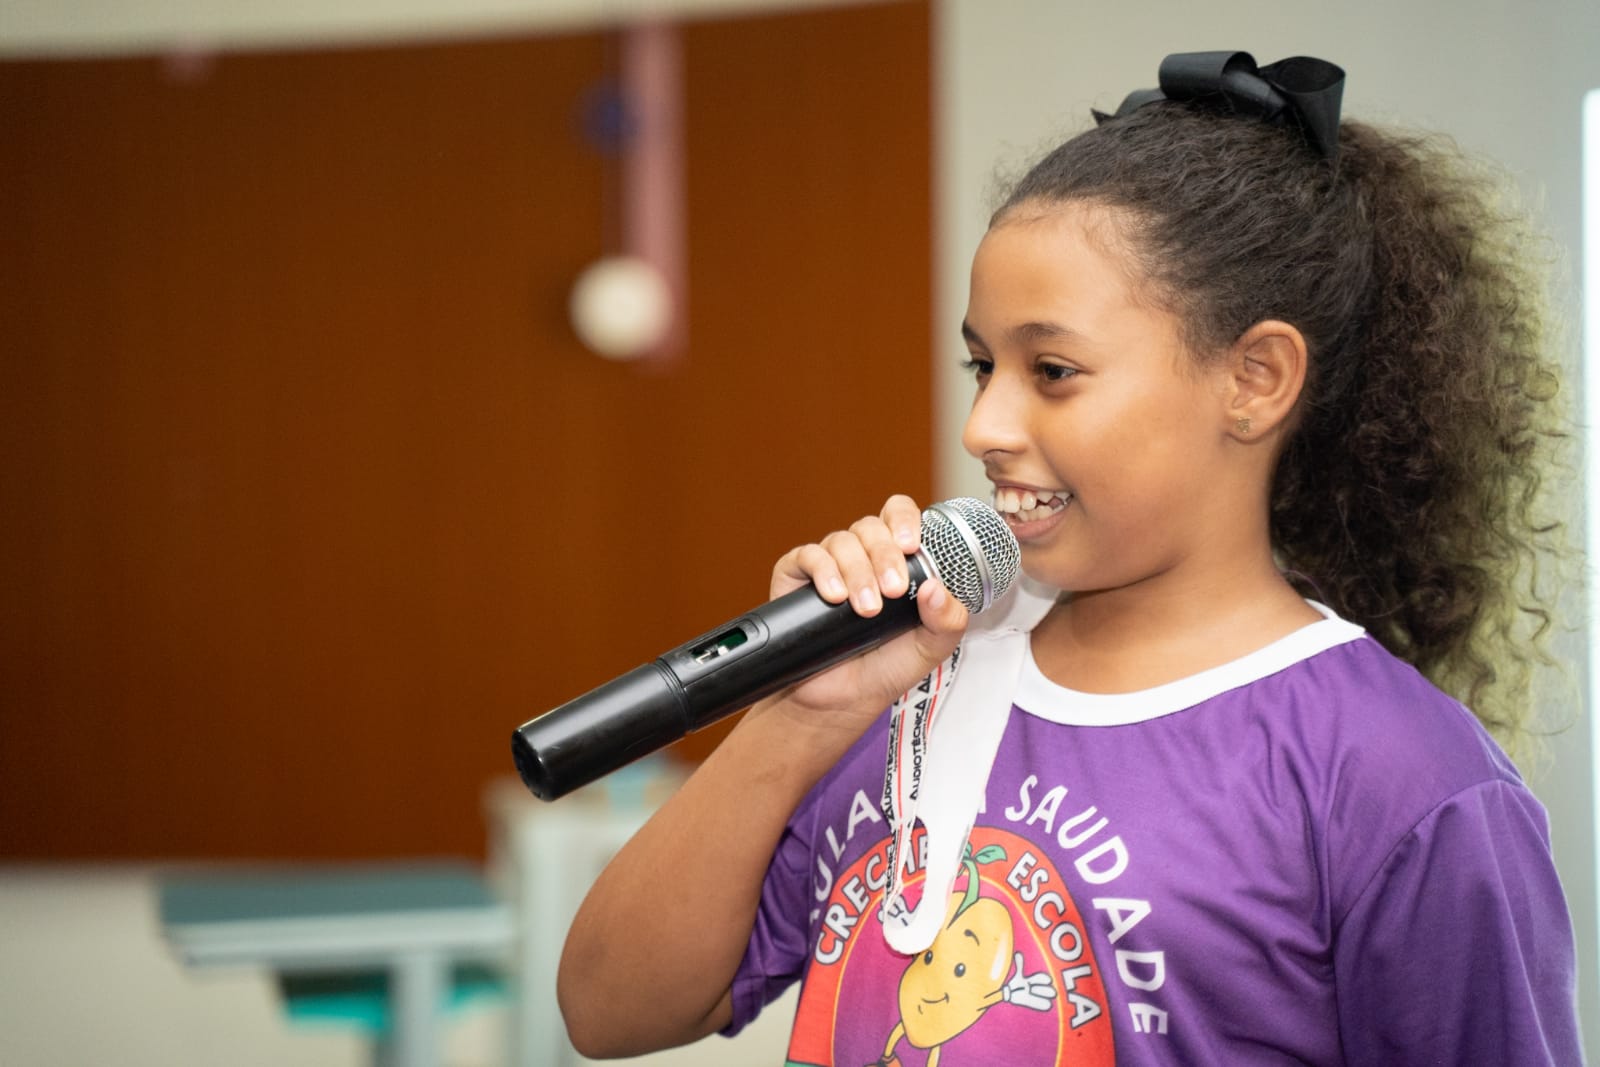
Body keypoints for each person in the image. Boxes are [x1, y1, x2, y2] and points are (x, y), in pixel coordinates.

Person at [556, 51, 1582, 1064]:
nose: (984, 423)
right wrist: (795, 719)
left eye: (1051, 369)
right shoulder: (912, 685)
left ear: (1255, 378)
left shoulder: (1400, 774)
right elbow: (610, 1012)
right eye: (981, 363)